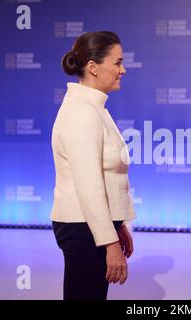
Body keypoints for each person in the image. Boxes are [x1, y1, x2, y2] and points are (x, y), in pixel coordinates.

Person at [50, 31, 136, 300]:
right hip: (83, 228)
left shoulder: (93, 107)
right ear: (93, 68)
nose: (123, 70)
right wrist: (109, 242)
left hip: (92, 227)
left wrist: (117, 223)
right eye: (118, 62)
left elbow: (104, 176)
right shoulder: (81, 112)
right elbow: (89, 185)